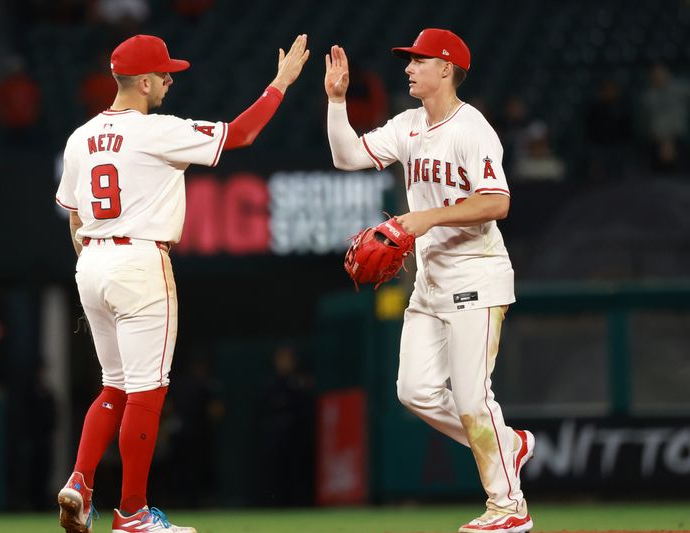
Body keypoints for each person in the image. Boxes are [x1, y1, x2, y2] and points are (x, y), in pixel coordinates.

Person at [55, 33, 309, 533]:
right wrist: (280, 84)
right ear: (144, 81)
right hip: (140, 262)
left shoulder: (80, 137)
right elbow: (240, 135)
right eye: (166, 74)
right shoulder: (157, 131)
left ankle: (81, 484)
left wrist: (97, 260)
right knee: (147, 393)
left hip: (92, 263)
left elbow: (74, 217)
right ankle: (132, 513)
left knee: (113, 387)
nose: (171, 80)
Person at [325, 29, 535, 533]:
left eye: (417, 60)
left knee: (470, 396)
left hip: (477, 277)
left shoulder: (472, 129)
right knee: (414, 391)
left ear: (446, 68)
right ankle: (508, 444)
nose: (408, 68)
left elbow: (497, 202)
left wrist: (425, 219)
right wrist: (336, 102)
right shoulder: (410, 125)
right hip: (430, 284)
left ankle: (509, 509)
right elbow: (347, 157)